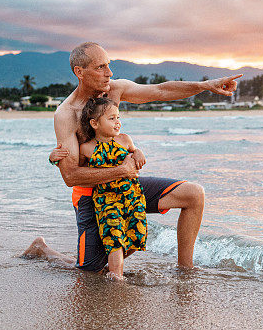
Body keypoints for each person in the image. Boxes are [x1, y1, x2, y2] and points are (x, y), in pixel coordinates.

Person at [23, 41, 241, 271]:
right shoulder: (66, 114)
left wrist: (206, 85)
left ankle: (185, 270)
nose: (109, 73)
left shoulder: (114, 89)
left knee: (193, 194)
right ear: (80, 72)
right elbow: (70, 176)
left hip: (126, 186)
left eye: (108, 65)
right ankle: (43, 250)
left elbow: (161, 90)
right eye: (100, 67)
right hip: (91, 194)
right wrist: (121, 170)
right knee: (90, 271)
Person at [76, 96, 147, 281]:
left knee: (137, 235)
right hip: (107, 201)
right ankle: (117, 280)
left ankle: (112, 268)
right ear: (94, 123)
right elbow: (74, 169)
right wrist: (53, 157)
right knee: (114, 239)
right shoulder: (87, 148)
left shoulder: (124, 139)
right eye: (112, 118)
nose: (117, 122)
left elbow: (134, 151)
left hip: (133, 197)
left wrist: (138, 152)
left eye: (118, 117)